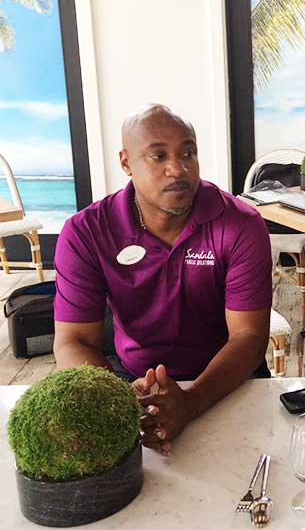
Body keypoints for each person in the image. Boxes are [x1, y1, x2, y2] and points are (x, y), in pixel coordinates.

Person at [53, 104, 273, 454]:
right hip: (128, 381)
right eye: (158, 155)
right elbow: (72, 342)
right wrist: (124, 406)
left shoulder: (240, 224)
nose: (178, 168)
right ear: (126, 162)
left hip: (227, 379)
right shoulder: (86, 232)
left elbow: (249, 336)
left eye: (188, 152)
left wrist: (190, 401)